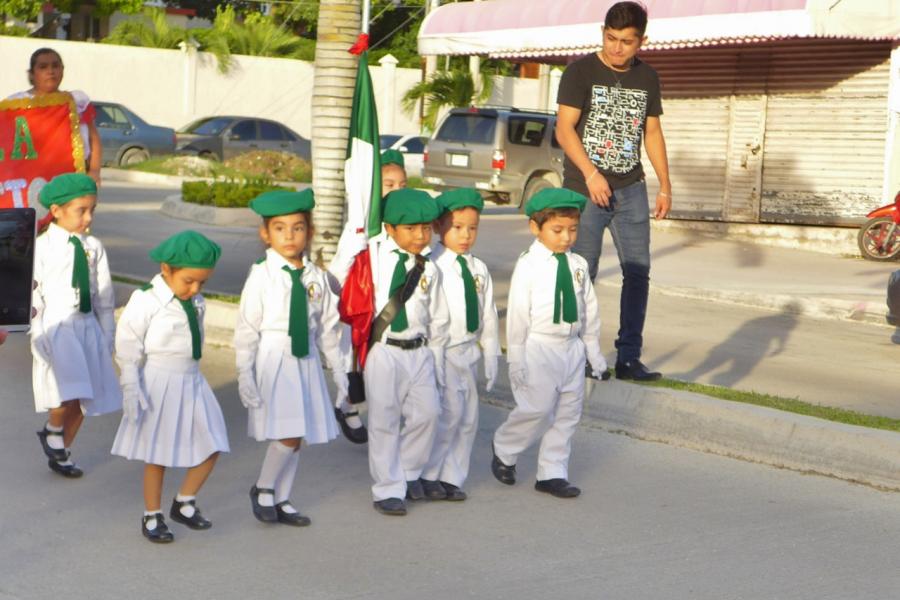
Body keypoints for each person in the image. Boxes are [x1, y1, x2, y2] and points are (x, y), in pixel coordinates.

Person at [555, 1, 671, 381]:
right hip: (585, 189)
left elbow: (651, 132)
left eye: (626, 41)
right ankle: (579, 355)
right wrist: (590, 174)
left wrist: (665, 184)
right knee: (581, 273)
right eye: (610, 38)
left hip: (631, 188)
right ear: (602, 32)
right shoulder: (580, 71)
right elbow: (564, 128)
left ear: (642, 41)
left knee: (637, 273)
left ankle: (628, 358)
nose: (616, 48)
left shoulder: (647, 78)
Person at [234, 190, 350, 527]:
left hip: (307, 359)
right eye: (280, 228)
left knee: (297, 434)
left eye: (298, 228)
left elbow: (328, 328)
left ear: (309, 232)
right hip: (276, 357)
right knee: (287, 432)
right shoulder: (262, 274)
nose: (289, 236)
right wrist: (244, 373)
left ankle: (282, 498)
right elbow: (247, 327)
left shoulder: (315, 276)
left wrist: (340, 373)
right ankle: (264, 488)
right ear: (265, 234)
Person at [110, 231, 229, 544]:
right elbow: (128, 343)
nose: (195, 289)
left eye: (202, 283)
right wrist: (131, 386)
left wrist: (194, 291)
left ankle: (184, 502)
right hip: (160, 381)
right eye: (189, 281)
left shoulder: (196, 300)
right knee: (157, 454)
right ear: (166, 269)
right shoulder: (147, 299)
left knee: (214, 441)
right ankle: (152, 515)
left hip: (192, 380)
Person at [491, 188, 606, 499]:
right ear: (535, 227)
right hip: (539, 347)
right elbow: (517, 314)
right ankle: (505, 447)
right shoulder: (529, 265)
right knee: (537, 409)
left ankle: (552, 472)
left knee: (569, 413)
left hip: (571, 348)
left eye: (572, 229)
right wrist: (516, 359)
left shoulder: (578, 265)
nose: (566, 237)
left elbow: (589, 310)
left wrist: (593, 352)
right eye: (557, 230)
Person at [352, 188, 450, 516]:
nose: (420, 235)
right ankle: (386, 488)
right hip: (385, 351)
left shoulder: (430, 266)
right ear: (390, 228)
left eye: (425, 227)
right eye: (410, 228)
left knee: (428, 413)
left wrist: (437, 357)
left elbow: (437, 315)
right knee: (384, 420)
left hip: (419, 351)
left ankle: (408, 471)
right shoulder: (374, 256)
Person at [31, 173, 121, 478]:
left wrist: (108, 333)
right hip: (59, 324)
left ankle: (61, 450)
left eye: (92, 210)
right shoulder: (42, 247)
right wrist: (37, 332)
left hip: (87, 326)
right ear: (56, 211)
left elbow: (104, 295)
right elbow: (35, 295)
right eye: (80, 210)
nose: (88, 217)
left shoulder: (94, 246)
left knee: (87, 395)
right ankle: (52, 428)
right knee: (71, 386)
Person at [419, 188, 500, 501]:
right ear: (439, 227)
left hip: (469, 351)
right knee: (447, 417)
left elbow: (489, 314)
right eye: (457, 227)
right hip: (444, 351)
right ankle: (429, 474)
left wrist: (491, 355)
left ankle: (453, 476)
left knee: (468, 420)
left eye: (472, 227)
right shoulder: (432, 266)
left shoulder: (478, 269)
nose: (465, 235)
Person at [333, 147, 410, 444]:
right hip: (363, 306)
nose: (396, 191)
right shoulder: (364, 226)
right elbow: (339, 272)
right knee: (357, 363)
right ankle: (348, 406)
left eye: (402, 185)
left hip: (393, 308)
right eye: (388, 185)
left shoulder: (405, 223)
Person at [6, 48, 102, 185]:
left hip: (75, 175)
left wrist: (94, 171)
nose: (50, 71)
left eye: (55, 66)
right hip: (30, 177)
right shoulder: (16, 104)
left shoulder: (77, 101)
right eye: (43, 67)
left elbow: (93, 138)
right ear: (32, 74)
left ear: (62, 70)